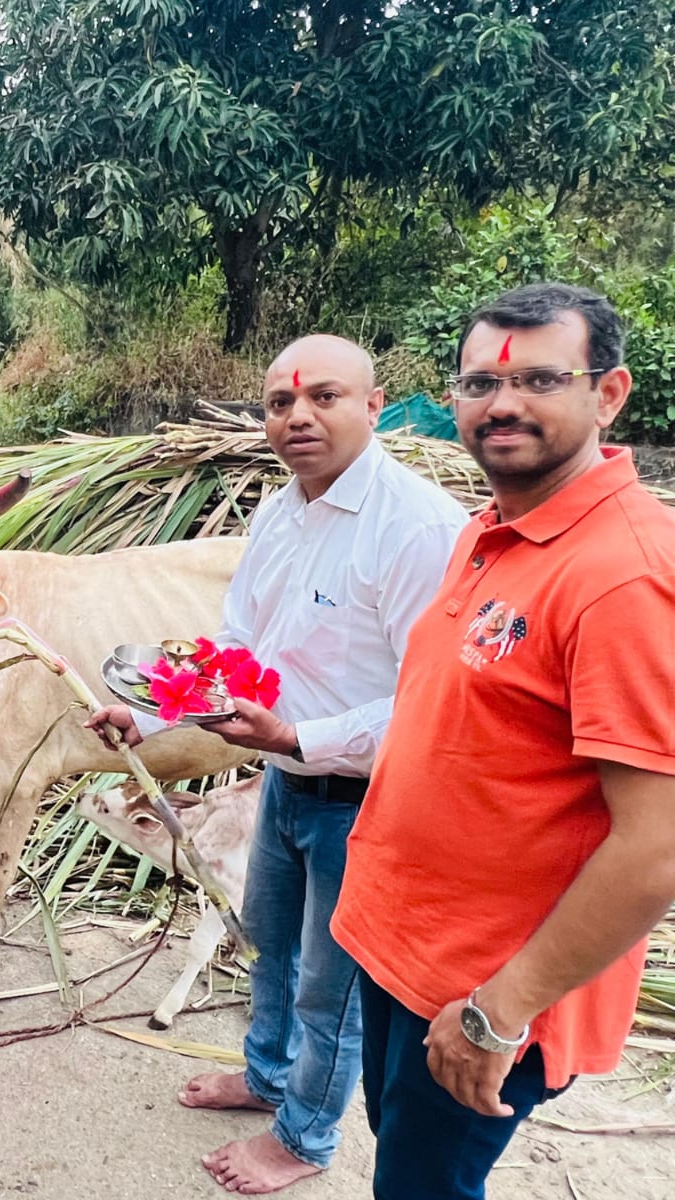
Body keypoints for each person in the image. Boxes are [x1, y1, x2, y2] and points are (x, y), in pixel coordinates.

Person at [89, 335, 468, 1193]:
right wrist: (149, 710)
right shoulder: (278, 513)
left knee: (330, 988)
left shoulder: (417, 528)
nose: (297, 415)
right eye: (278, 403)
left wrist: (298, 739)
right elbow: (233, 650)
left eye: (323, 397)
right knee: (270, 944)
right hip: (282, 785)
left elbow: (430, 700)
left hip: (363, 799)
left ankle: (304, 1138)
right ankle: (267, 1078)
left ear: (375, 406)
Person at [331, 283, 675, 1200]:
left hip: (483, 988)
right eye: (480, 383)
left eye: (541, 380)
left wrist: (499, 1011)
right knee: (403, 1163)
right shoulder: (493, 529)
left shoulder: (622, 575)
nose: (504, 404)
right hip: (406, 950)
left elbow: (657, 845)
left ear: (609, 394)